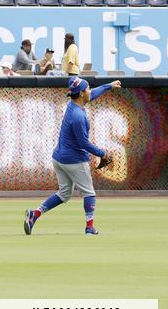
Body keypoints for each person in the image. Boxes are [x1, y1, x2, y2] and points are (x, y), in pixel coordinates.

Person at [24, 78, 122, 236]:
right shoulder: (78, 116)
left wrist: (108, 86)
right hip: (74, 161)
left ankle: (34, 214)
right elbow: (83, 143)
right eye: (88, 89)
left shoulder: (73, 103)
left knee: (64, 194)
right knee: (89, 193)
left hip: (58, 159)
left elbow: (93, 94)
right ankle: (89, 227)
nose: (90, 91)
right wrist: (102, 153)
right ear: (82, 94)